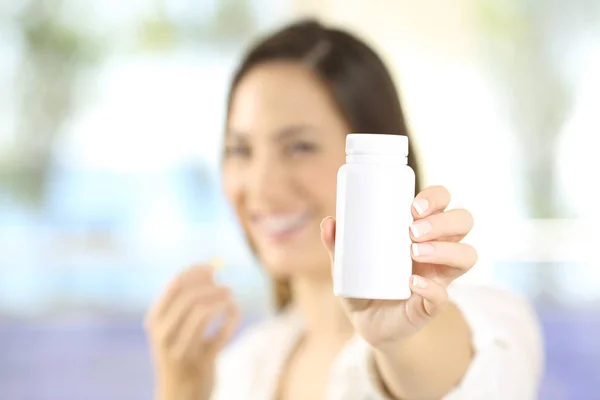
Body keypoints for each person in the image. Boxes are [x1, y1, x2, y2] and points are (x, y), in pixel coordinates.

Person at [145, 19, 544, 400]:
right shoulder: (243, 365)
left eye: (299, 146)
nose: (261, 187)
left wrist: (403, 336)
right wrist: (183, 389)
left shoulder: (489, 326)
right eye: (240, 150)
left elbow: (447, 374)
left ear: (375, 158)